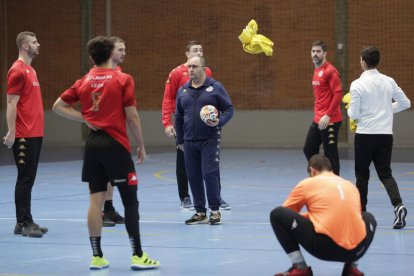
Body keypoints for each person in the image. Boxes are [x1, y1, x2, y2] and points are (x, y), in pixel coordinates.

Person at [52, 36, 159, 270]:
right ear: (111, 53)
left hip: (92, 146)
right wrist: (140, 144)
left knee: (95, 201)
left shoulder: (83, 80)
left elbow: (57, 106)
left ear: (92, 57)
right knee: (130, 200)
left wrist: (84, 119)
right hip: (115, 145)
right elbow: (131, 116)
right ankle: (138, 255)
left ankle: (97, 256)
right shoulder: (122, 79)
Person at [270, 154, 377, 276]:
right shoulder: (350, 185)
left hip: (325, 248)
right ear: (331, 170)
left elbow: (288, 214)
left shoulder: (307, 183)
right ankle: (352, 268)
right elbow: (349, 216)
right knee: (368, 217)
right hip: (357, 250)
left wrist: (310, 217)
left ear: (312, 171)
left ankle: (300, 268)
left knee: (277, 214)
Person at [162, 40, 231, 210]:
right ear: (187, 54)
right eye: (195, 50)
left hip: (207, 130)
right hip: (186, 127)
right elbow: (168, 98)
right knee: (185, 164)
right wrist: (167, 122)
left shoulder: (207, 73)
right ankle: (185, 197)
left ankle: (216, 198)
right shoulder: (177, 73)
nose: (199, 52)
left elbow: (215, 98)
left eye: (201, 50)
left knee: (211, 167)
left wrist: (217, 119)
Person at [348, 46, 411, 229]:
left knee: (362, 176)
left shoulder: (357, 84)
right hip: (385, 136)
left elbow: (353, 114)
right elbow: (405, 103)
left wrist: (354, 111)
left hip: (365, 136)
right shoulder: (388, 81)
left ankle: (361, 215)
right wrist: (385, 110)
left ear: (363, 61)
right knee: (385, 173)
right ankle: (398, 205)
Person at [175, 56, 233, 225]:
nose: (190, 69)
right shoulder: (183, 91)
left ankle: (214, 210)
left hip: (210, 139)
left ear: (203, 68)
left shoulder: (215, 88)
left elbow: (229, 109)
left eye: (194, 66)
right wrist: (180, 140)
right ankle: (200, 212)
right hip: (189, 140)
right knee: (193, 176)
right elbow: (178, 117)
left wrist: (220, 121)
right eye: (189, 66)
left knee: (209, 174)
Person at [3, 31, 48, 238]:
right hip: (24, 134)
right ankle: (24, 222)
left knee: (28, 178)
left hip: (35, 132)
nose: (38, 44)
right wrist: (12, 131)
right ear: (25, 46)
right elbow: (11, 102)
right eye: (34, 41)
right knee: (25, 179)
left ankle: (24, 221)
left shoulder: (31, 70)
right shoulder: (18, 70)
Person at [303, 40, 342, 175]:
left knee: (331, 153)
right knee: (308, 149)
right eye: (313, 51)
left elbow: (338, 94)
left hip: (330, 120)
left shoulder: (330, 71)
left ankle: (335, 183)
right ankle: (320, 176)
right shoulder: (316, 69)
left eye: (318, 51)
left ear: (325, 53)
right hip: (318, 118)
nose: (315, 54)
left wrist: (328, 114)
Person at [101, 36, 127, 227]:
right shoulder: (103, 72)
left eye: (124, 49)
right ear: (110, 52)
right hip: (104, 131)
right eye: (120, 49)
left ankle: (109, 209)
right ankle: (99, 211)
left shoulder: (119, 71)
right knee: (102, 173)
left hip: (117, 130)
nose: (123, 53)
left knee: (112, 173)